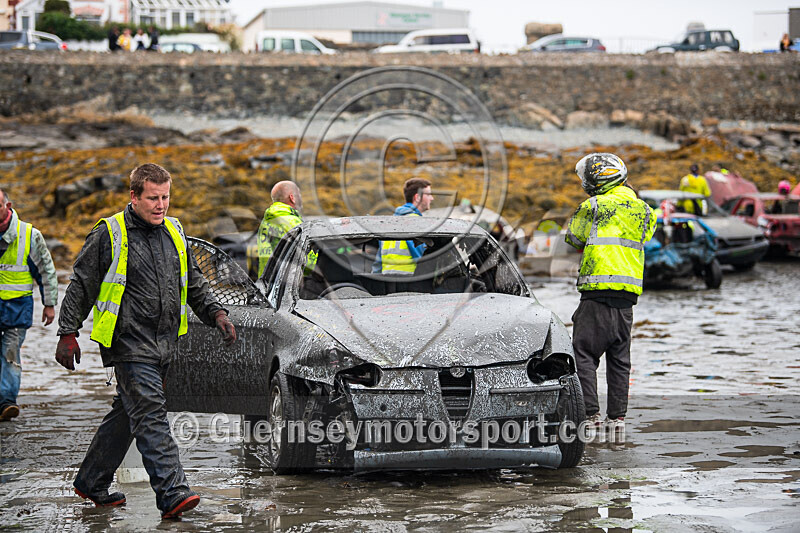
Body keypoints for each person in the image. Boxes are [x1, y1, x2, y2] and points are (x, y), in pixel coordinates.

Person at [55, 164, 236, 518]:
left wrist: (216, 314)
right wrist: (67, 332)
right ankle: (173, 492)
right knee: (151, 414)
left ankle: (91, 481)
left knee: (127, 414)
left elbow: (193, 280)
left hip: (165, 343)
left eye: (166, 197)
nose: (161, 205)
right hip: (128, 343)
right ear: (134, 196)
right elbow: (82, 284)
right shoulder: (109, 233)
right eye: (153, 198)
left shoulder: (174, 230)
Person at [565, 153, 655, 439]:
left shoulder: (593, 205)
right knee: (619, 359)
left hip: (596, 292)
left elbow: (573, 238)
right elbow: (647, 236)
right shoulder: (645, 210)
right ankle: (617, 420)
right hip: (627, 298)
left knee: (584, 355)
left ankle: (590, 416)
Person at [0, 191, 57, 422]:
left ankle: (6, 402)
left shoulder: (29, 235)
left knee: (10, 356)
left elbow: (46, 270)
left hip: (16, 310)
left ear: (7, 206)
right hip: (15, 309)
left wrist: (49, 303)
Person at [373, 178, 434, 275]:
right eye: (429, 194)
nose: (432, 198)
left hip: (387, 284)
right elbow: (422, 259)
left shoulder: (388, 224)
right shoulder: (415, 222)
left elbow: (377, 266)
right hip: (410, 283)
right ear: (417, 197)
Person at [255, 181, 305, 278]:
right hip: (285, 283)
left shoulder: (266, 221)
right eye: (299, 194)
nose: (301, 198)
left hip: (267, 282)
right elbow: (306, 258)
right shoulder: (292, 222)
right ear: (292, 198)